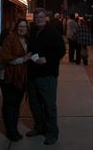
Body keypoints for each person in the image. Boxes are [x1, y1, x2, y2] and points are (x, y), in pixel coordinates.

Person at [26, 8, 66, 145]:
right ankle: (39, 127)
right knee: (34, 104)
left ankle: (52, 133)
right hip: (32, 74)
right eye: (36, 17)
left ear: (46, 18)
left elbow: (61, 51)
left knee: (49, 106)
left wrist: (47, 59)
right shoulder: (32, 31)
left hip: (47, 75)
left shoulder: (53, 32)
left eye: (41, 17)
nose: (39, 19)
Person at [0, 19, 31, 141]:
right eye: (20, 26)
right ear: (16, 27)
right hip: (7, 76)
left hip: (19, 77)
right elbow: (6, 58)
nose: (22, 29)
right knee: (9, 104)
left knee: (16, 103)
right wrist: (23, 59)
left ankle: (14, 129)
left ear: (27, 29)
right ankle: (10, 131)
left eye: (25, 27)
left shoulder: (27, 40)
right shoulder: (10, 38)